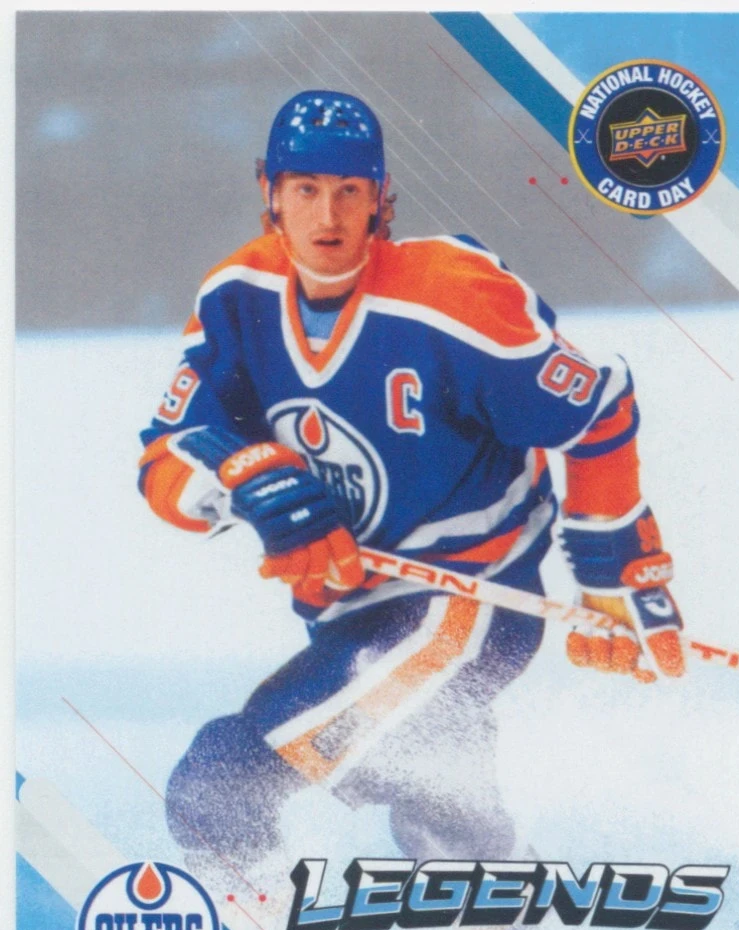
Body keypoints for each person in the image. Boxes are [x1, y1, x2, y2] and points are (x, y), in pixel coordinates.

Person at [138, 90, 685, 873]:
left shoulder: (450, 297)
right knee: (438, 808)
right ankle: (513, 918)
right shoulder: (237, 297)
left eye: (349, 190)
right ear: (271, 192)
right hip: (350, 616)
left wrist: (611, 567)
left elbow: (597, 409)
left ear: (380, 197)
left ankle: (255, 929)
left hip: (476, 601)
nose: (328, 215)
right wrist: (241, 475)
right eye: (305, 189)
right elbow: (164, 455)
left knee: (221, 784)